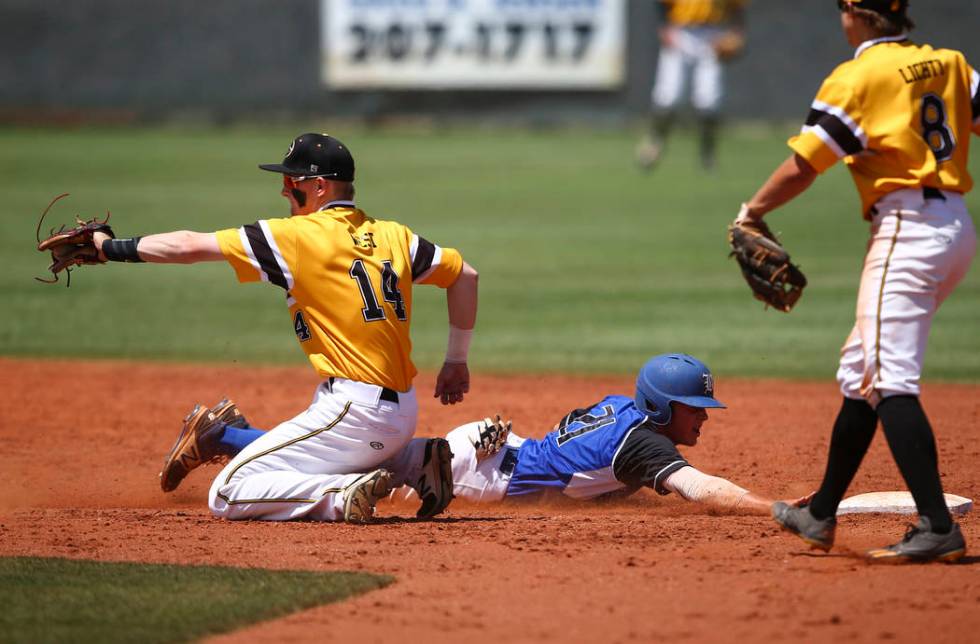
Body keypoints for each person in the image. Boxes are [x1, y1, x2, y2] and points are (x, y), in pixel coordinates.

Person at [94, 132, 479, 524]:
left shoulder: (295, 237)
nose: (283, 191)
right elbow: (465, 275)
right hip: (401, 412)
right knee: (312, 446)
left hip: (355, 412)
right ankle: (415, 460)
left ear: (318, 187)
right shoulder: (394, 235)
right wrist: (455, 361)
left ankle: (339, 495)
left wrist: (108, 248)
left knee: (227, 491)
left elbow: (189, 246)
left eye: (290, 182)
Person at [736, 0, 976, 562]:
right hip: (955, 227)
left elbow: (806, 162)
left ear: (859, 14)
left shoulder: (858, 75)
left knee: (890, 378)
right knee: (861, 372)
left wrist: (752, 212)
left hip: (906, 230)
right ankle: (820, 513)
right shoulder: (950, 62)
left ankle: (937, 525)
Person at [169, 354, 794, 515]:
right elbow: (700, 488)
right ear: (662, 410)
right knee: (349, 472)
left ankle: (224, 435)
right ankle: (229, 442)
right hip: (483, 476)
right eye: (694, 407)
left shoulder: (621, 406)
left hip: (491, 450)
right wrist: (770, 508)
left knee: (378, 453)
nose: (703, 415)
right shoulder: (646, 447)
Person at [635, 0, 747, 172]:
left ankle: (708, 153)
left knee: (709, 101)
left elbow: (737, 7)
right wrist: (664, 27)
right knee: (669, 97)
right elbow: (661, 4)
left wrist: (737, 32)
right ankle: (655, 141)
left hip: (714, 35)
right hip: (680, 32)